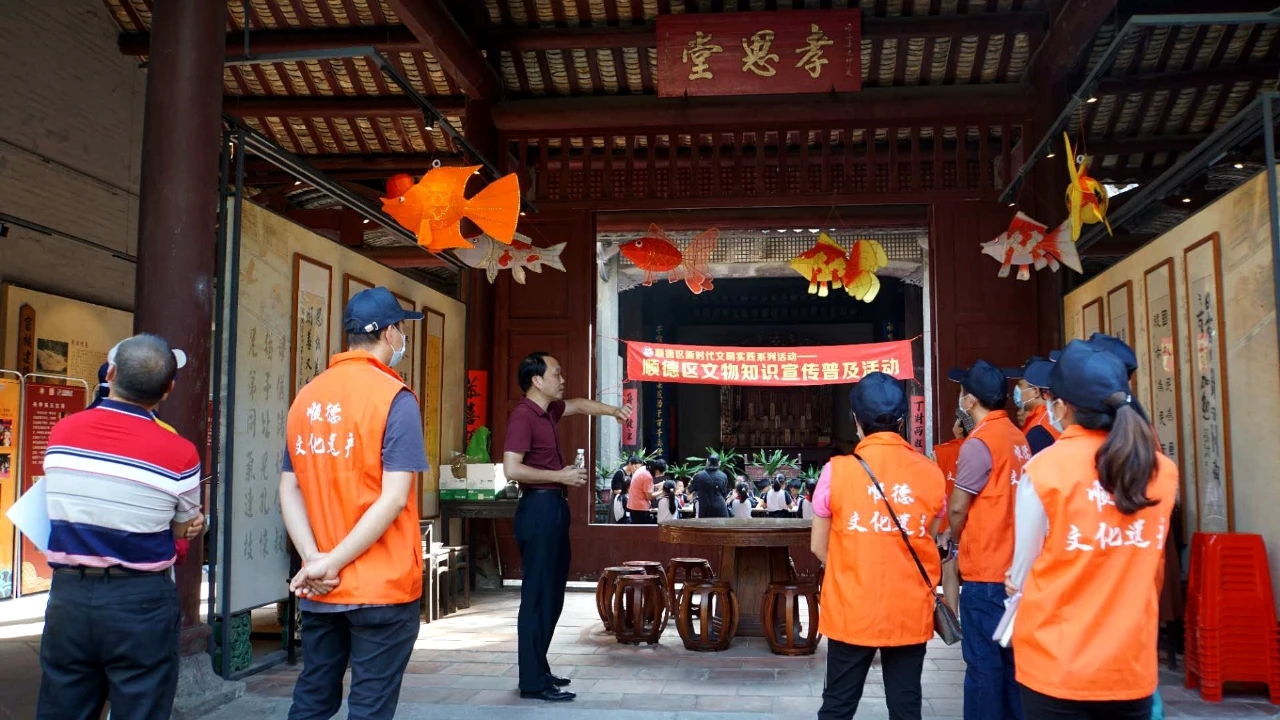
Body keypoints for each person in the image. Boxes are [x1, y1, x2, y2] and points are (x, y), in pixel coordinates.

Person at [37, 334, 204, 720]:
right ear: (168, 389)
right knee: (141, 707)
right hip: (141, 601)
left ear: (110, 374)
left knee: (62, 707)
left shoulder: (63, 432)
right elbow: (184, 527)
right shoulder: (181, 452)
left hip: (69, 596)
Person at [1008, 340, 1178, 718]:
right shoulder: (1161, 472)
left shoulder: (1045, 469)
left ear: (1062, 407)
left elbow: (1022, 573)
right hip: (1129, 662)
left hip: (1056, 660)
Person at [280, 286, 428, 720]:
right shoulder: (395, 398)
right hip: (381, 586)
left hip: (322, 587)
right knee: (370, 706)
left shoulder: (307, 397)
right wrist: (331, 562)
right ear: (390, 333)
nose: (402, 338)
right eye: (401, 330)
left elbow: (289, 488)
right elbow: (394, 498)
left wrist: (315, 560)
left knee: (312, 699)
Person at [811, 372, 946, 720]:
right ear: (901, 421)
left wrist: (853, 568)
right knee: (905, 705)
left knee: (838, 705)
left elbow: (819, 546)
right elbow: (927, 537)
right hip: (908, 607)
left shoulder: (836, 471)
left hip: (852, 606)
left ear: (856, 420)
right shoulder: (931, 472)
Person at [502, 352, 629, 703]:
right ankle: (532, 681)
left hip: (553, 507)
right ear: (536, 380)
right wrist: (560, 476)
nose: (561, 380)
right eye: (556, 374)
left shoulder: (549, 411)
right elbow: (511, 469)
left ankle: (538, 669)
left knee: (552, 594)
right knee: (537, 596)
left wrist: (613, 411)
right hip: (539, 507)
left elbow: (579, 405)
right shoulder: (523, 416)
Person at [947, 359, 1030, 720]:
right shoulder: (1018, 437)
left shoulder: (978, 443)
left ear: (970, 401)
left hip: (986, 571)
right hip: (1016, 571)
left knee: (983, 666)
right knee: (1012, 669)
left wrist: (954, 538)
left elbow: (958, 508)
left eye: (962, 393)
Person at [931, 410, 972, 615]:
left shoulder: (940, 452)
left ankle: (954, 617)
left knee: (949, 570)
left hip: (948, 520)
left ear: (959, 427)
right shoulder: (982, 448)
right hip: (973, 518)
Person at [1011, 356, 1059, 455]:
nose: (1016, 390)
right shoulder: (1052, 416)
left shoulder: (1040, 430)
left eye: (1019, 385)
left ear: (1035, 391)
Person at [627, 456, 657, 524]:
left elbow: (642, 487)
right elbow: (649, 497)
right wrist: (662, 491)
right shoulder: (647, 475)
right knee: (643, 529)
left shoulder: (640, 471)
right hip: (641, 508)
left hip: (634, 506)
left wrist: (655, 486)